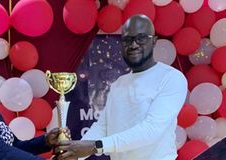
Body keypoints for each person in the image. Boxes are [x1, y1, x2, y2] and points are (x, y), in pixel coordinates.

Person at [55, 14, 188, 160]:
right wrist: (75, 154)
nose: (134, 45)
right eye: (127, 40)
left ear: (154, 41)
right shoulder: (119, 83)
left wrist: (95, 146)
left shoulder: (171, 78)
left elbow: (151, 130)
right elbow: (103, 126)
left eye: (141, 38)